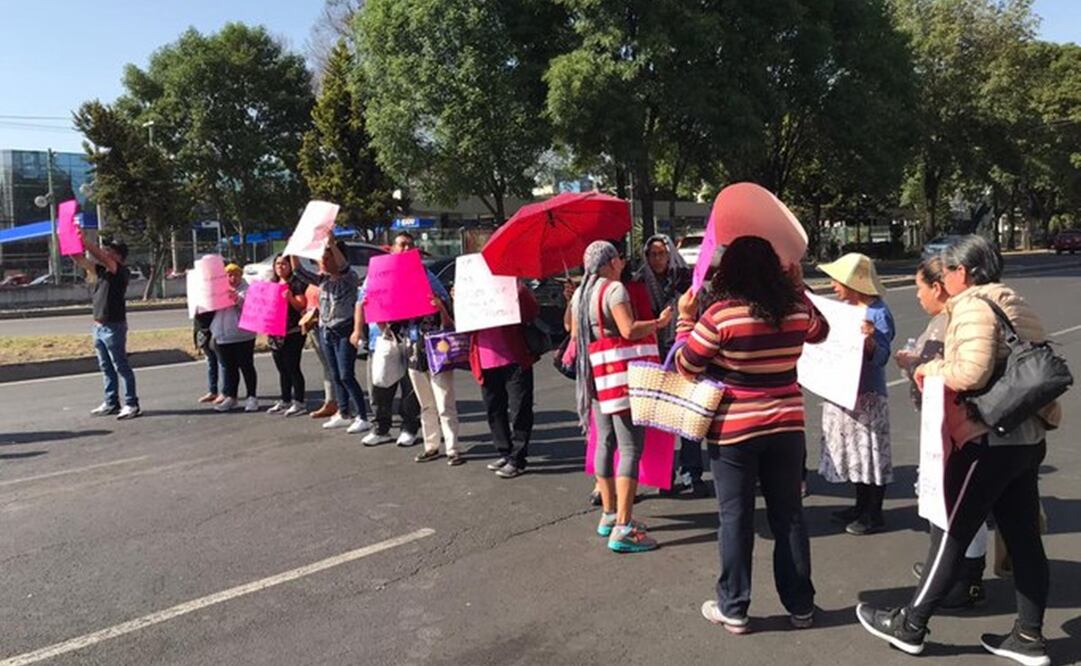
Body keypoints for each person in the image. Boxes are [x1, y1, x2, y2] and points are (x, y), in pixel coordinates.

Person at [857, 235, 1060, 665]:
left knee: (951, 532)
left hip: (987, 438)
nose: (941, 278)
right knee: (1024, 539)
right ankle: (1028, 636)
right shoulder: (1012, 301)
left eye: (945, 270)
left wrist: (926, 368)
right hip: (1027, 437)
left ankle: (911, 625)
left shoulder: (972, 305)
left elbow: (968, 372)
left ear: (961, 274)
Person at [674, 236, 828, 633]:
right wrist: (797, 285)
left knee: (736, 518)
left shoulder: (721, 315)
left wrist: (684, 319)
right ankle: (801, 606)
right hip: (787, 426)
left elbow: (686, 366)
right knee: (790, 516)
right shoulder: (795, 309)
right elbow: (821, 330)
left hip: (734, 430)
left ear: (732, 271)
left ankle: (735, 607)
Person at [896, 257, 988, 611]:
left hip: (955, 427)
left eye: (920, 287)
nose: (917, 295)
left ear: (939, 286)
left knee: (952, 509)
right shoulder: (957, 317)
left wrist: (912, 365)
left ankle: (960, 581)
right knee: (959, 508)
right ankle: (953, 574)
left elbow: (939, 377)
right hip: (964, 426)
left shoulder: (948, 322)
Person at [569, 240, 672, 552]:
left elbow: (574, 333)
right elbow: (628, 330)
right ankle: (624, 527)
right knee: (630, 448)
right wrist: (659, 322)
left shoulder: (579, 292)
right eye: (618, 258)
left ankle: (608, 514)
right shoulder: (614, 290)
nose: (623, 262)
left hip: (596, 377)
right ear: (610, 262)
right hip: (621, 377)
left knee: (604, 441)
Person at [816, 253, 895, 536]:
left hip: (867, 394)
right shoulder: (843, 309)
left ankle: (874, 511)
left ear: (853, 283)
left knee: (871, 453)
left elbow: (882, 355)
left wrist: (871, 339)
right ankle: (860, 505)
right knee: (856, 454)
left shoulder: (877, 313)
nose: (834, 287)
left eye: (837, 282)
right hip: (843, 390)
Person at [634, 234, 709, 498]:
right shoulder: (639, 282)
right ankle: (663, 475)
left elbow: (703, 309)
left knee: (689, 417)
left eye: (661, 254)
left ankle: (692, 472)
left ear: (670, 254)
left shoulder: (686, 280)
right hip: (654, 356)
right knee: (661, 421)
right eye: (652, 254)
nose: (657, 259)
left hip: (685, 354)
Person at [292, 240, 371, 434]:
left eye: (327, 258)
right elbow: (298, 272)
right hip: (326, 330)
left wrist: (332, 243)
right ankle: (343, 413)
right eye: (321, 259)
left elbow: (344, 267)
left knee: (346, 374)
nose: (323, 263)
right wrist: (293, 248)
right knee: (335, 374)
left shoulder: (349, 277)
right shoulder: (323, 280)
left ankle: (362, 416)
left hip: (344, 329)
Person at [355, 231, 423, 447]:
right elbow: (361, 301)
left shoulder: (422, 272)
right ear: (392, 248)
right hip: (382, 337)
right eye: (401, 244)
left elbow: (438, 297)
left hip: (410, 337)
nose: (405, 248)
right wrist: (357, 330)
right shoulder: (378, 273)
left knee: (410, 388)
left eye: (410, 245)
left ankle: (409, 428)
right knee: (380, 386)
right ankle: (381, 429)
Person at [470, 278, 541, 479]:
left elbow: (532, 311)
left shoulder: (514, 285)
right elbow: (464, 325)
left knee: (520, 409)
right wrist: (459, 300)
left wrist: (519, 291)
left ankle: (518, 459)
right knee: (494, 408)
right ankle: (505, 451)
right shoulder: (472, 288)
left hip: (514, 357)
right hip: (485, 358)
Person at [72, 231, 141, 420]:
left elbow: (100, 256)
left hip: (114, 327)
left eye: (110, 250)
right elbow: (80, 260)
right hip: (98, 326)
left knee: (121, 366)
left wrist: (84, 241)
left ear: (118, 255)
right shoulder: (101, 271)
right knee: (106, 367)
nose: (105, 251)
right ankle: (111, 402)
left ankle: (131, 403)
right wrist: (69, 241)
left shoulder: (120, 271)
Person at [403, 290, 463, 466]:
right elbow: (393, 327)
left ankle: (453, 449)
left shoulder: (437, 298)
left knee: (445, 404)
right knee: (426, 405)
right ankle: (431, 446)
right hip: (414, 359)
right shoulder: (403, 303)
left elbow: (450, 326)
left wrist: (441, 308)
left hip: (438, 359)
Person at [211, 264, 258, 412]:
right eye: (228, 275)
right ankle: (231, 397)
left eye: (235, 275)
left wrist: (236, 298)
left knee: (246, 366)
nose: (232, 278)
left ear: (240, 275)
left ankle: (252, 397)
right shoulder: (218, 290)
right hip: (223, 335)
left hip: (243, 335)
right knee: (229, 368)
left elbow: (251, 307)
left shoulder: (247, 289)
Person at [266, 254, 308, 416]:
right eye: (277, 264)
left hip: (292, 332)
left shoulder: (296, 283)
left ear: (290, 266)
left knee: (292, 366)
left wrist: (289, 297)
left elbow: (300, 305)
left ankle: (299, 401)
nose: (280, 267)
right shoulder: (272, 284)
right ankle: (285, 400)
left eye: (284, 264)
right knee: (281, 368)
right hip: (275, 332)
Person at [300, 283, 338, 418]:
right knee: (327, 367)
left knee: (334, 367)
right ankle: (331, 401)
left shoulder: (331, 280)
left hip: (327, 327)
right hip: (314, 327)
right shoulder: (313, 280)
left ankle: (340, 404)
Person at [194, 310, 222, 403]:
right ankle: (213, 391)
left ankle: (226, 392)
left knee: (222, 362)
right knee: (211, 361)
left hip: (214, 327)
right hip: (202, 328)